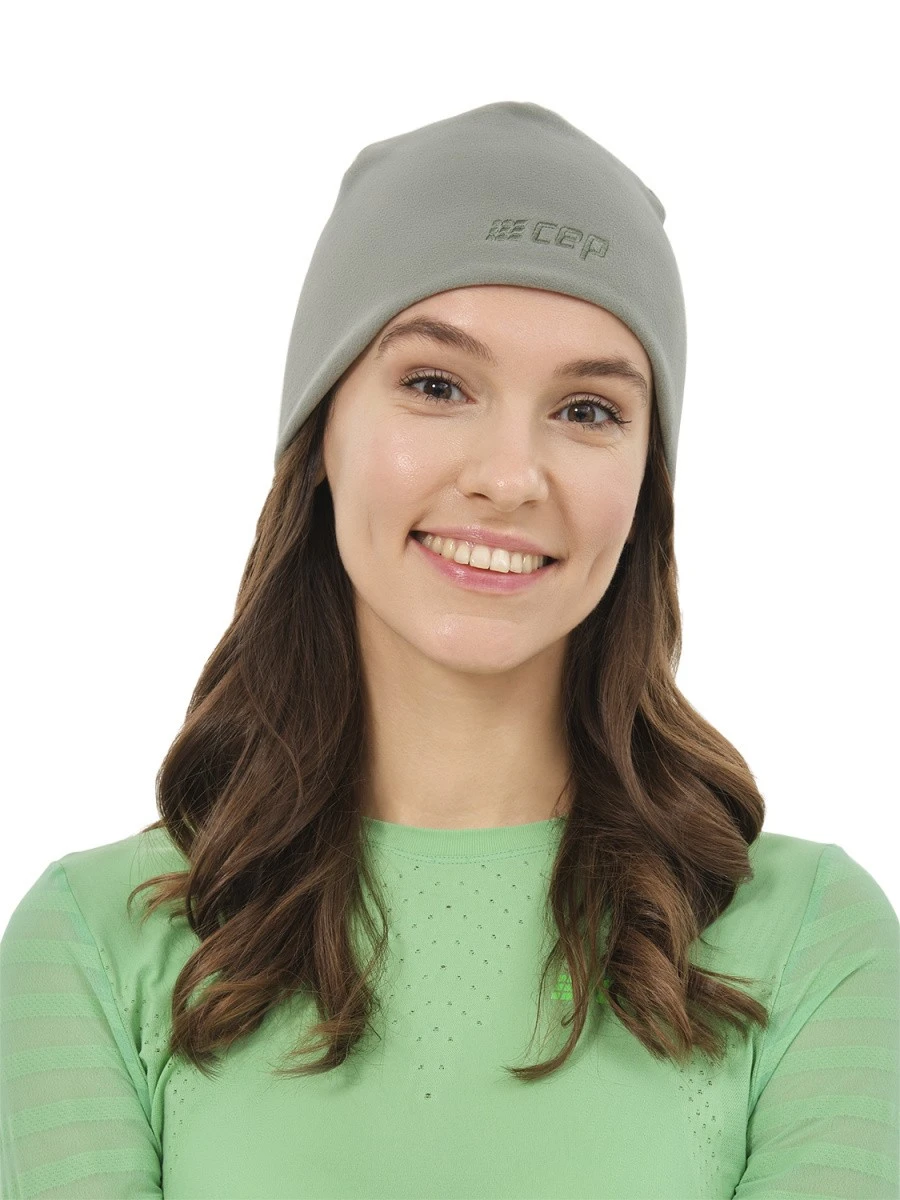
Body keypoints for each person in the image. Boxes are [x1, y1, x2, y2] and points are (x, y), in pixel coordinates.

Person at [1, 101, 897, 1200]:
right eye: (436, 386)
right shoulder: (95, 946)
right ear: (321, 435)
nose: (510, 476)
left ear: (645, 484)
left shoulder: (810, 942)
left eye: (588, 409)